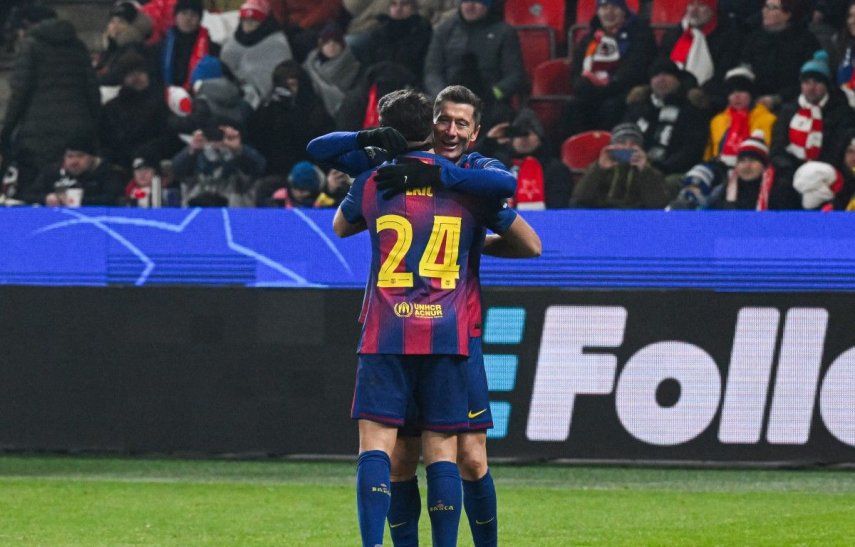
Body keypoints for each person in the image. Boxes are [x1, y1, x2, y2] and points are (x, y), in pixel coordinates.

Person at [312, 86, 539, 547]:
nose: (451, 130)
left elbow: (528, 239)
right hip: (442, 328)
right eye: (444, 120)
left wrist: (462, 222)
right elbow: (321, 152)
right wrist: (379, 139)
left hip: (454, 332)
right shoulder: (389, 169)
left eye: (461, 123)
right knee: (408, 456)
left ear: (475, 133)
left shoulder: (470, 174)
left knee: (470, 457)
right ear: (430, 122)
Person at [0, 8, 101, 193]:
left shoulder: (30, 46)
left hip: (38, 135)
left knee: (37, 191)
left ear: (28, 25)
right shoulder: (78, 46)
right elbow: (92, 90)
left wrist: (6, 131)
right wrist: (95, 125)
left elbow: (19, 93)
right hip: (77, 130)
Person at [424, 0, 526, 130]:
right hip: (448, 99)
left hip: (489, 103)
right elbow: (432, 71)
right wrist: (443, 96)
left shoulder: (504, 32)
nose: (470, 6)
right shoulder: (444, 31)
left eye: (478, 2)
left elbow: (514, 76)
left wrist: (491, 95)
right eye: (466, 1)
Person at [770, 50, 855, 199]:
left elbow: (840, 147)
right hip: (792, 173)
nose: (811, 87)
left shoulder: (842, 112)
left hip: (829, 173)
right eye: (806, 82)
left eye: (817, 82)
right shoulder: (788, 111)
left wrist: (817, 171)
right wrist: (793, 170)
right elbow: (777, 147)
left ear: (826, 85)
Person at [565, 0, 657, 134]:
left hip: (624, 91)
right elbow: (577, 69)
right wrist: (581, 84)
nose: (609, 12)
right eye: (604, 7)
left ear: (624, 11)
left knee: (611, 107)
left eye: (614, 7)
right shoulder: (590, 38)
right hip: (592, 91)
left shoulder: (640, 34)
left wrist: (606, 86)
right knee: (572, 107)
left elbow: (634, 69)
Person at [247, 60, 335, 176]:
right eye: (284, 86)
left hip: (309, 172)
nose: (288, 91)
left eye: (292, 85)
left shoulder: (316, 112)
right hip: (276, 173)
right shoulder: (267, 110)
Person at [623, 59, 708, 175]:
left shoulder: (690, 108)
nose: (661, 79)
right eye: (656, 75)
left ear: (677, 80)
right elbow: (623, 136)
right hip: (634, 166)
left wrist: (661, 168)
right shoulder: (639, 107)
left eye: (667, 74)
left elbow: (691, 149)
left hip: (671, 171)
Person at [657, 0, 742, 111]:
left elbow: (724, 72)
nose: (693, 10)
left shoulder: (728, 36)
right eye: (691, 4)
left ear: (712, 8)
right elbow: (668, 66)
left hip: (710, 98)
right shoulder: (677, 34)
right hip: (674, 94)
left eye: (701, 5)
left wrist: (700, 92)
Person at [481, 108, 573, 208]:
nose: (523, 139)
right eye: (519, 134)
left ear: (539, 138)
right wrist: (488, 142)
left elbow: (559, 208)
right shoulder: (496, 165)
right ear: (511, 138)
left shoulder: (556, 169)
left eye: (528, 133)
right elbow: (465, 168)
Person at [738, 0, 820, 111]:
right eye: (765, 6)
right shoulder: (754, 38)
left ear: (787, 14)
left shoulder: (805, 40)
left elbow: (808, 78)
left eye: (772, 7)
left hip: (792, 103)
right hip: (755, 101)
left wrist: (778, 98)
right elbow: (744, 70)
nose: (765, 11)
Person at [100, 51, 173, 170]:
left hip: (155, 165)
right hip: (123, 167)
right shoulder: (111, 108)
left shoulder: (162, 101)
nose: (137, 77)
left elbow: (168, 137)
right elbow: (107, 142)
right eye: (131, 74)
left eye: (140, 72)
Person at [571, 122, 671, 209]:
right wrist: (599, 168)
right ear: (612, 145)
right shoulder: (600, 165)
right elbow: (579, 197)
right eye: (621, 142)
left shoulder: (650, 170)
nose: (627, 147)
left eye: (633, 143)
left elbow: (659, 204)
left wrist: (644, 170)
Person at [220, 0, 293, 109]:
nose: (248, 25)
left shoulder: (277, 44)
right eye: (245, 20)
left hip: (264, 104)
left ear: (263, 22)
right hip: (231, 94)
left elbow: (280, 76)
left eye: (253, 21)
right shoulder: (233, 42)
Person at [172, 125, 266, 206]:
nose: (216, 145)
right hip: (197, 216)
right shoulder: (195, 157)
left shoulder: (241, 157)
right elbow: (176, 170)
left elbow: (259, 167)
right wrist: (192, 151)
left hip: (235, 218)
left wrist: (239, 150)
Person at [704, 64, 777, 167]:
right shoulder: (717, 121)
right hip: (721, 170)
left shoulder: (769, 120)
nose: (736, 96)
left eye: (742, 90)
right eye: (731, 92)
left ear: (751, 94)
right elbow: (709, 154)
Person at [24, 135, 125, 206]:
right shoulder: (53, 172)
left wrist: (79, 201)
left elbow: (113, 199)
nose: (74, 161)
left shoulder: (108, 173)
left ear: (92, 158)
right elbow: (27, 195)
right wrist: (46, 198)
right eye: (70, 156)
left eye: (80, 156)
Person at [358, 0, 432, 84]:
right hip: (377, 81)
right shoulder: (379, 31)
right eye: (394, 4)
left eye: (404, 4)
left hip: (407, 85)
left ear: (413, 8)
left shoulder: (422, 31)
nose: (398, 9)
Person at [302, 22, 361, 118]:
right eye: (327, 42)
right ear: (321, 44)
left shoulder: (353, 66)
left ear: (342, 44)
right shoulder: (310, 64)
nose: (332, 45)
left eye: (336, 41)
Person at [158, 0, 216, 90]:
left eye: (193, 14)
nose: (188, 18)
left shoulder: (211, 48)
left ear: (199, 19)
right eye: (184, 13)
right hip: (167, 94)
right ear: (175, 17)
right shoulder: (162, 45)